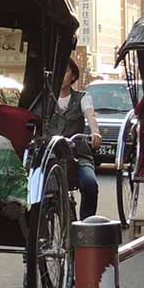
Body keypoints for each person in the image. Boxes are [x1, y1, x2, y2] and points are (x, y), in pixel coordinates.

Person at [42, 58, 101, 220]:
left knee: (90, 185)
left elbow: (90, 115)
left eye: (66, 72)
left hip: (77, 154)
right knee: (39, 189)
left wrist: (95, 133)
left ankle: (87, 225)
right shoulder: (46, 98)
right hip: (51, 155)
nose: (61, 76)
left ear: (73, 76)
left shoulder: (82, 97)